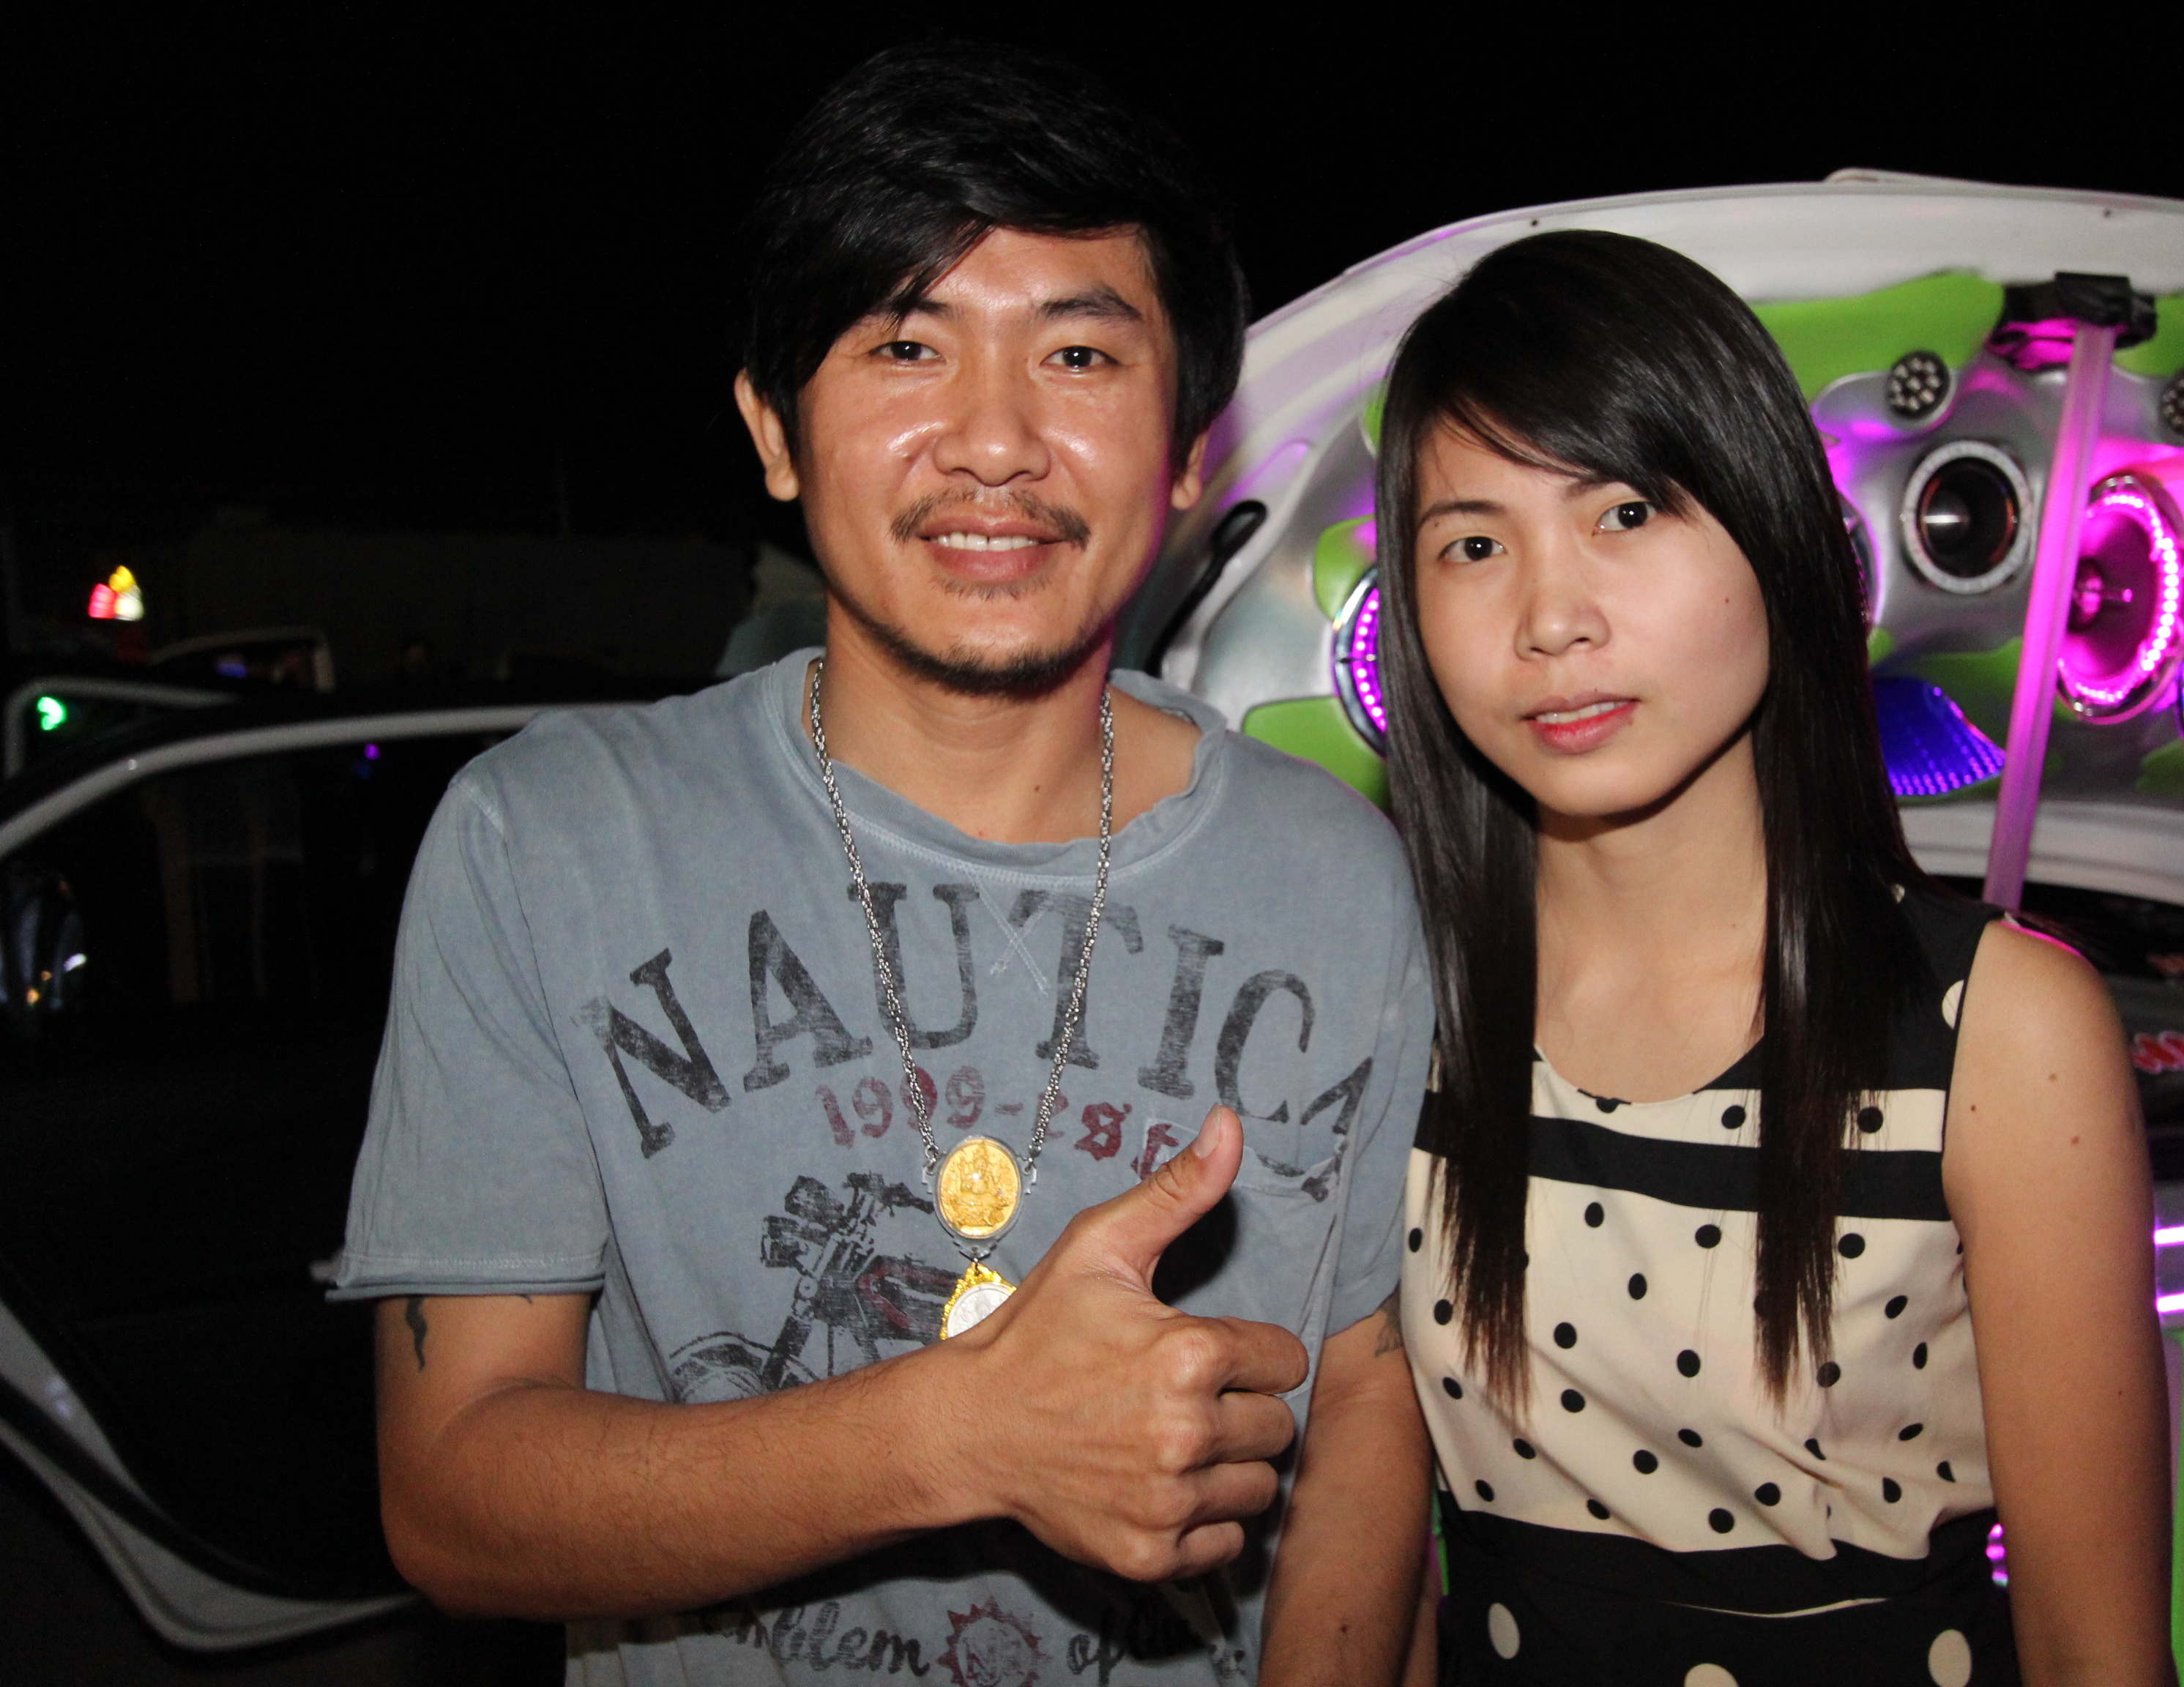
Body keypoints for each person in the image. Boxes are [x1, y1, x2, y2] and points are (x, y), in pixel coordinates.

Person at [331, 42, 1434, 1686]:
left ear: (1193, 450)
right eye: (907, 346)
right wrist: (964, 1434)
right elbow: (453, 1500)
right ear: (773, 429)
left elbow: (1360, 1403)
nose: (994, 443)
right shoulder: (547, 841)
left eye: (1079, 353)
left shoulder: (1338, 872)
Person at [1374, 232, 2172, 1683]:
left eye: (1625, 512)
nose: (1551, 619)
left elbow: (2096, 1649)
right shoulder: (1393, 998)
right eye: (1474, 545)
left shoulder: (2002, 1030)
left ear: (1778, 531)